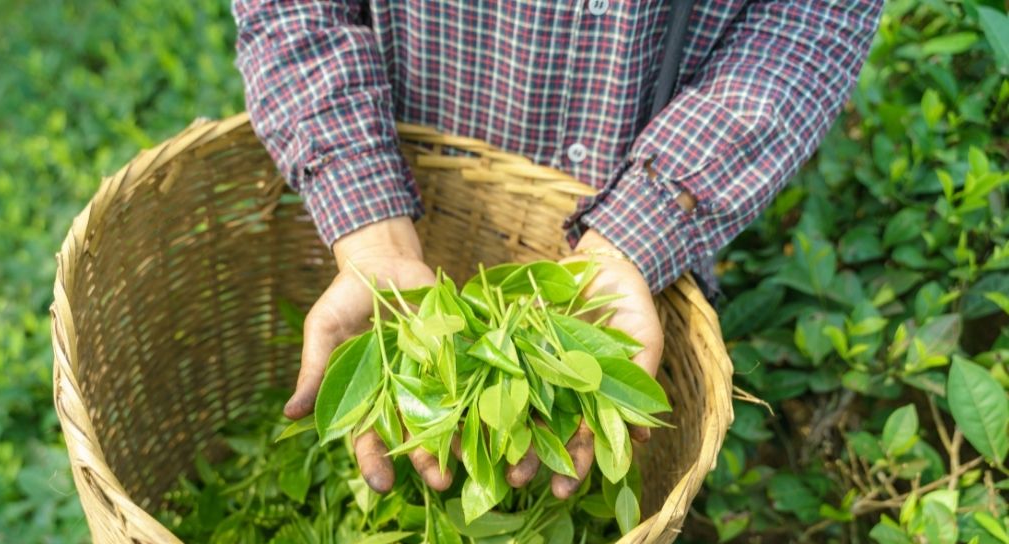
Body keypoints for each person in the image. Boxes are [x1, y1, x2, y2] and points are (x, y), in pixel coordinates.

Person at [232, 0, 881, 495]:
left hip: (645, 181)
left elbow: (811, 20)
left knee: (582, 468)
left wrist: (638, 231)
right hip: (413, 138)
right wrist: (373, 228)